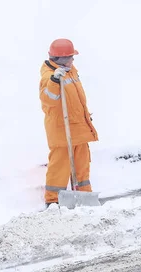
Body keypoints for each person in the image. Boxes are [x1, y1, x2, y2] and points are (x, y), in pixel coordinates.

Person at [39, 38, 98, 207]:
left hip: (78, 127)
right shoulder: (48, 77)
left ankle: (84, 196)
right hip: (62, 130)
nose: (73, 60)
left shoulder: (71, 71)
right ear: (62, 59)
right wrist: (54, 81)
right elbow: (48, 101)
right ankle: (53, 200)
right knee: (60, 165)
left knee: (82, 164)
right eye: (71, 57)